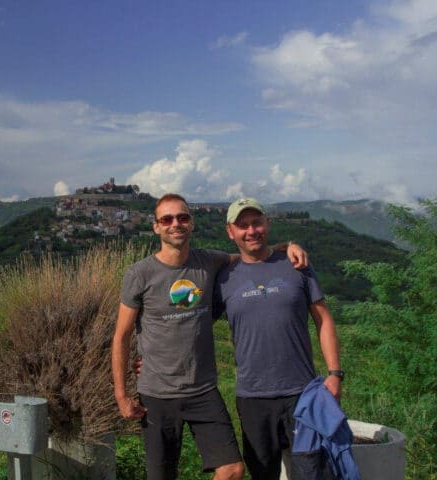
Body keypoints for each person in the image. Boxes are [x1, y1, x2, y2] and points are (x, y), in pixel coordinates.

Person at [111, 193, 308, 480]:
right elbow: (121, 336)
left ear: (191, 223)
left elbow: (249, 255)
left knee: (232, 469)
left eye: (182, 217)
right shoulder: (140, 274)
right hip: (156, 394)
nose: (175, 224)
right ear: (156, 227)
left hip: (203, 390)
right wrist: (121, 395)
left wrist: (287, 246)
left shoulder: (209, 262)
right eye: (167, 219)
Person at [213, 197, 343, 480]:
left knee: (313, 473)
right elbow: (194, 326)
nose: (251, 231)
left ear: (267, 224)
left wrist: (335, 374)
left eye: (256, 223)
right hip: (252, 398)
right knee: (262, 474)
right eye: (243, 225)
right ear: (230, 231)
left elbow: (324, 319)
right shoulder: (223, 278)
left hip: (302, 393)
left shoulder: (296, 265)